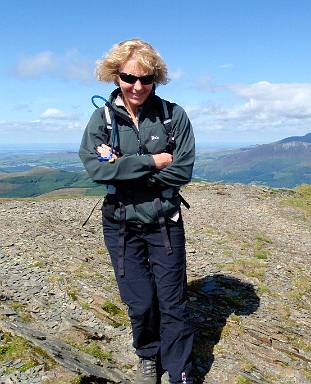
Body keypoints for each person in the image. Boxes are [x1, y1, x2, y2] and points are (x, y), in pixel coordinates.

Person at [79, 39, 195, 384]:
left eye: (146, 79)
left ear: (156, 79)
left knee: (172, 302)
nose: (138, 86)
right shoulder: (102, 119)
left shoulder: (173, 117)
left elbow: (182, 170)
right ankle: (148, 354)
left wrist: (123, 166)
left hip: (164, 222)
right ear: (116, 76)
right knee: (141, 301)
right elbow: (96, 170)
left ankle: (180, 370)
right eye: (130, 77)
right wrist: (152, 162)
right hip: (120, 224)